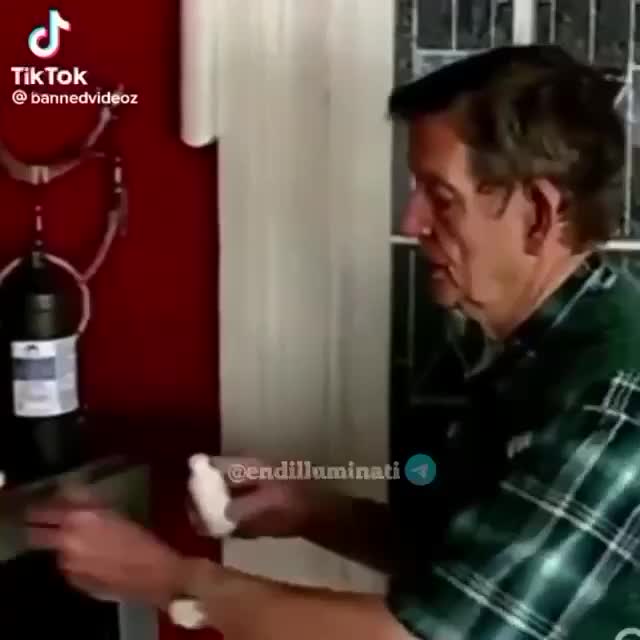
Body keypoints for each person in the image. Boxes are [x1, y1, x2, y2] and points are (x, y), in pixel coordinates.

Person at [28, 44, 640, 639]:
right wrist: (312, 512)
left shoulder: (614, 402)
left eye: (441, 198)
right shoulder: (530, 351)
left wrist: (164, 579)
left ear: (537, 215)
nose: (411, 222)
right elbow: (477, 583)